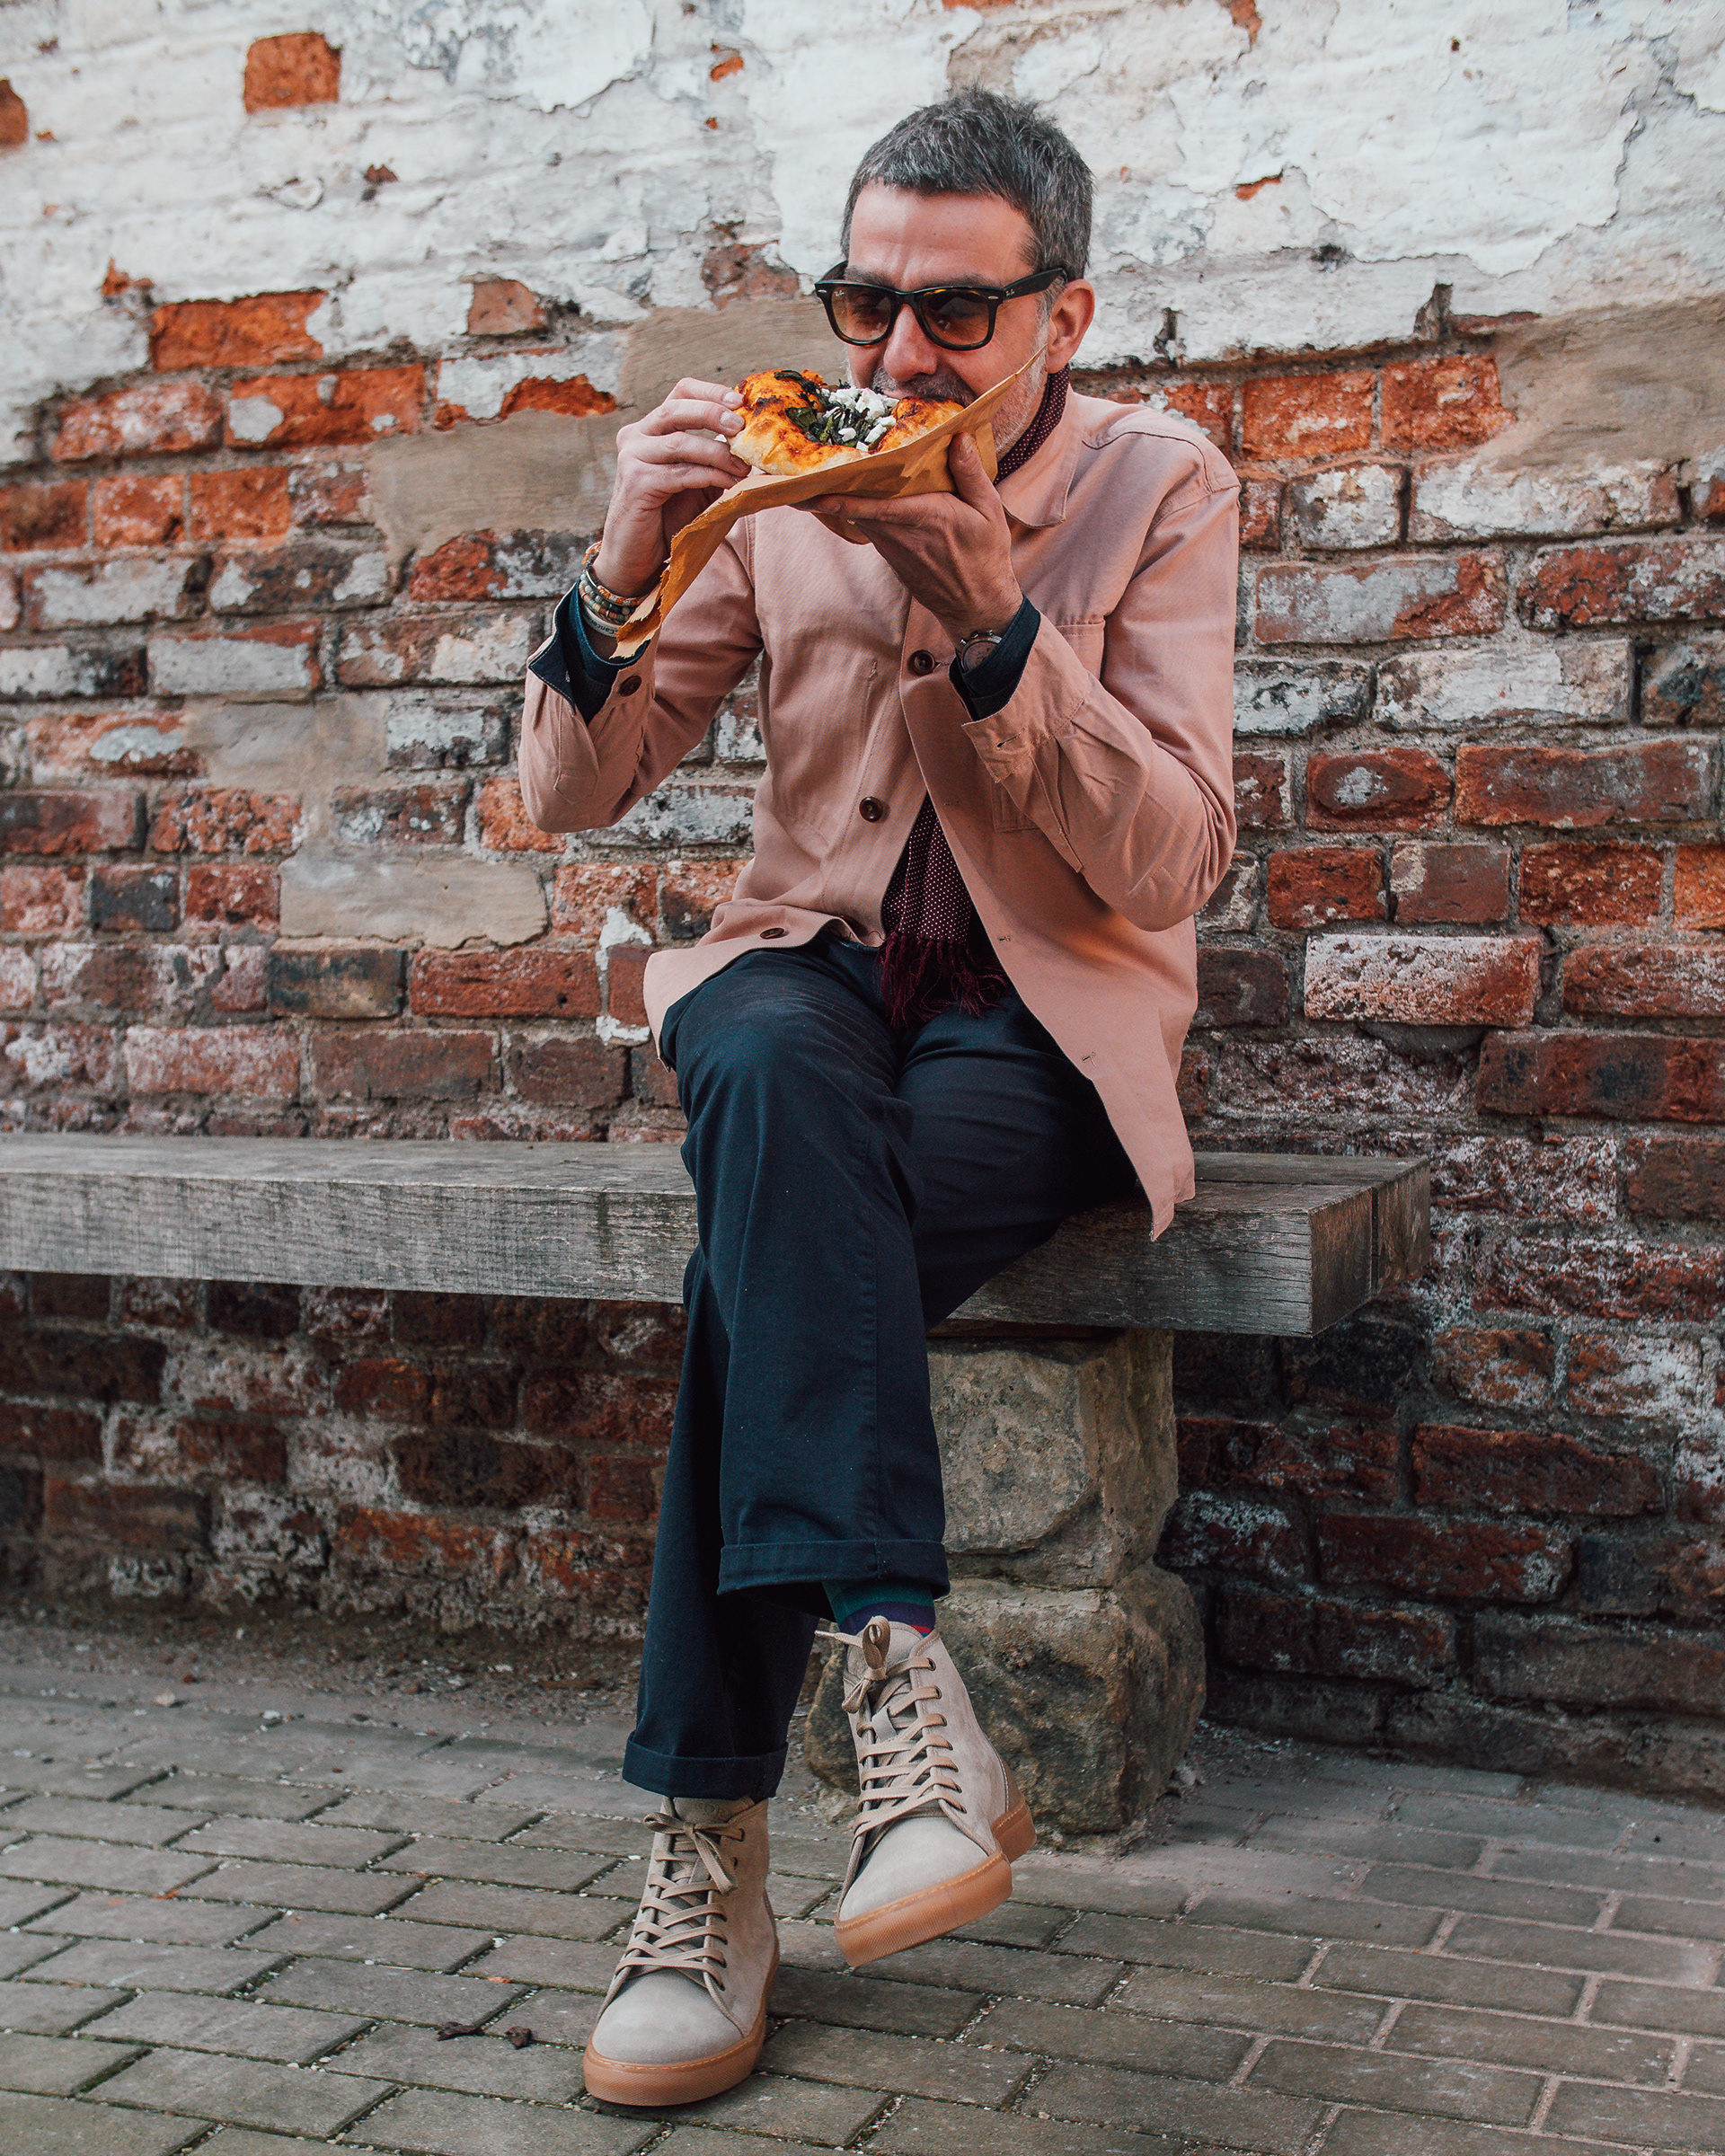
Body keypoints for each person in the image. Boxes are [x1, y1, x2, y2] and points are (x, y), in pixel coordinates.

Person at [518, 88, 1238, 2108]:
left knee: (758, 1268)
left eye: (957, 314)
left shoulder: (1161, 485)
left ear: (1063, 317)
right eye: (867, 304)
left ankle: (708, 1845)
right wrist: (625, 564)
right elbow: (571, 792)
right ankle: (910, 1686)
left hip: (1036, 1015)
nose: (901, 355)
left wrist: (998, 622)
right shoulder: (781, 472)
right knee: (752, 1051)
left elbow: (1175, 862)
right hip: (809, 973)